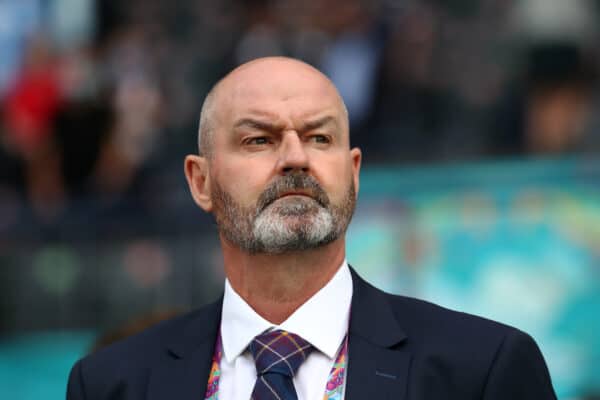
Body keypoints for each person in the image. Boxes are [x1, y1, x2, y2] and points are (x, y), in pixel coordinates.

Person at [67, 57, 557, 399]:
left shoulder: (482, 370)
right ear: (201, 181)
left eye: (319, 137)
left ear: (354, 172)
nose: (296, 157)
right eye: (258, 139)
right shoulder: (114, 384)